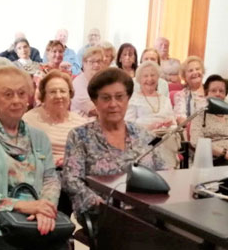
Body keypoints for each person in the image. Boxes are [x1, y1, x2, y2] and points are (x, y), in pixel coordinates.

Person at [0, 66, 67, 250]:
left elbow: (51, 179)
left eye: (21, 93)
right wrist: (24, 206)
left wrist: (45, 209)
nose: (16, 100)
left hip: (35, 221)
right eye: (8, 94)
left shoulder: (39, 137)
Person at [62, 67, 165, 215]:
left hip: (147, 212)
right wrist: (96, 203)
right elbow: (71, 180)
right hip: (102, 213)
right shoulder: (79, 136)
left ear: (128, 99)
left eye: (119, 97)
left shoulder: (145, 135)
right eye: (105, 98)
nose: (113, 104)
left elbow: (164, 173)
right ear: (95, 101)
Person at [23, 71, 89, 163]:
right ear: (43, 96)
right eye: (52, 92)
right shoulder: (29, 120)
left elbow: (89, 154)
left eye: (63, 91)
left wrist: (70, 161)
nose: (58, 96)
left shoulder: (81, 122)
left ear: (70, 94)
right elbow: (22, 154)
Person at [125, 62, 178, 167]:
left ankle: (167, 173)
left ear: (158, 78)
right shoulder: (133, 99)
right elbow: (129, 125)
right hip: (143, 137)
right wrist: (151, 127)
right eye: (145, 76)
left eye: (153, 75)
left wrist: (167, 126)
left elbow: (174, 124)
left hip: (165, 136)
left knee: (168, 139)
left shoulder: (165, 99)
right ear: (139, 80)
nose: (150, 79)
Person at [190, 75, 228, 166]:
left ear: (225, 94)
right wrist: (225, 153)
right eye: (213, 91)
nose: (218, 94)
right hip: (216, 159)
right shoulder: (200, 115)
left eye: (221, 91)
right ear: (206, 93)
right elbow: (196, 142)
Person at [70, 47, 106, 118]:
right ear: (84, 63)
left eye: (99, 61)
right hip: (81, 124)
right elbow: (94, 110)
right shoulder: (78, 83)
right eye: (92, 62)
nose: (96, 65)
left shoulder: (103, 82)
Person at [173, 56, 207, 124]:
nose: (195, 72)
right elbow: (181, 119)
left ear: (202, 72)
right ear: (184, 76)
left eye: (197, 69)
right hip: (192, 131)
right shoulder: (181, 95)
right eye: (190, 70)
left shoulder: (212, 91)